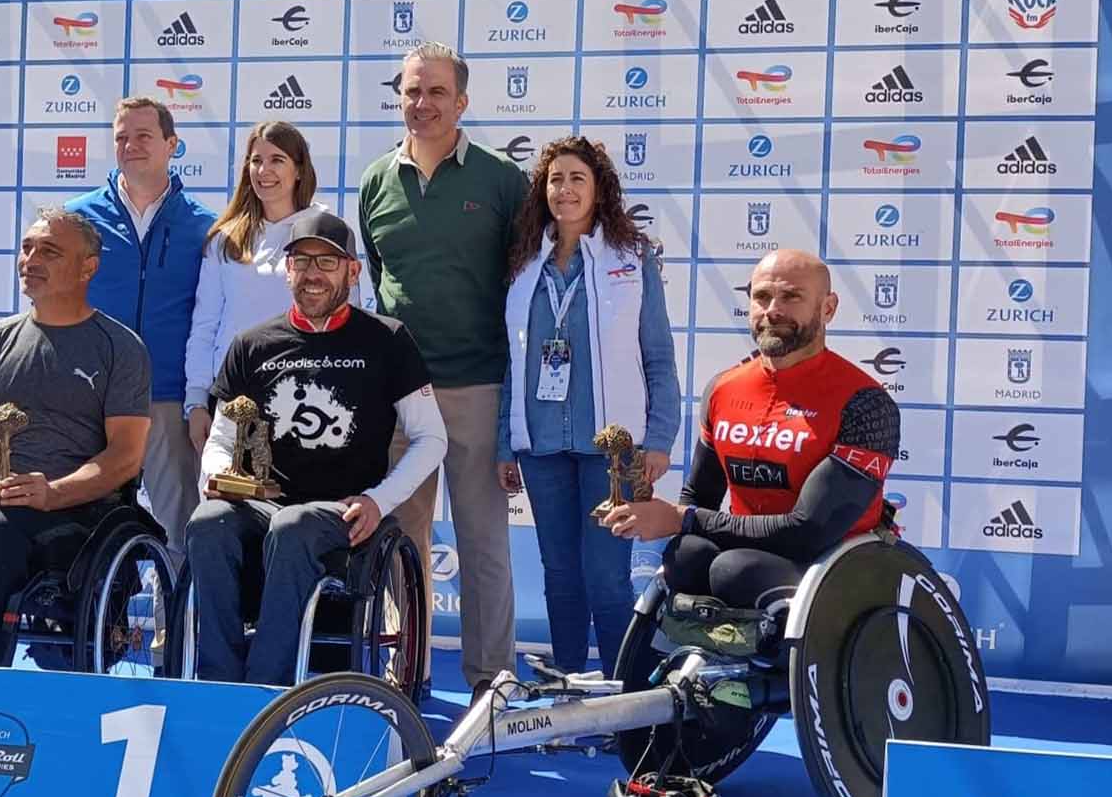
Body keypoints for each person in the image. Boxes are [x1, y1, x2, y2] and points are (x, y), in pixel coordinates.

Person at [185, 212, 447, 686]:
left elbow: (433, 438)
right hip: (264, 506)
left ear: (353, 272)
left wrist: (378, 501)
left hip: (344, 516)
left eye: (327, 262)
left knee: (296, 522)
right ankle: (217, 685)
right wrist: (218, 477)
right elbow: (223, 434)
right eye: (301, 261)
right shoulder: (252, 344)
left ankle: (267, 689)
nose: (312, 274)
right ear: (287, 271)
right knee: (207, 523)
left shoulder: (387, 339)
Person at [0, 209, 152, 667]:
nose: (30, 259)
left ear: (87, 267)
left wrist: (54, 493)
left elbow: (125, 457)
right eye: (27, 248)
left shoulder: (121, 348)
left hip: (77, 513)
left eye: (49, 251)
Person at [358, 42, 530, 697]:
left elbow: (520, 286)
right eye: (410, 91)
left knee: (484, 541)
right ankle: (411, 672)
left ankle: (493, 680)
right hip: (401, 394)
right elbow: (380, 283)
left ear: (461, 101)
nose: (421, 103)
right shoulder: (375, 180)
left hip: (478, 385)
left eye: (435, 92)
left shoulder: (500, 181)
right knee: (403, 539)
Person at [601, 249, 900, 622]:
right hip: (745, 553)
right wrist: (676, 520)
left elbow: (809, 530)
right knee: (686, 554)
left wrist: (682, 518)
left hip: (831, 565)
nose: (772, 310)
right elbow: (699, 497)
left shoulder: (866, 403)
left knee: (735, 570)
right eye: (761, 297)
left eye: (791, 297)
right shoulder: (723, 388)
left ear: (828, 308)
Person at [496, 136, 680, 675]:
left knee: (607, 578)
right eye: (556, 179)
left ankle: (624, 699)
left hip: (615, 451)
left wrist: (660, 439)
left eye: (578, 178)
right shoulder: (524, 262)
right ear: (543, 190)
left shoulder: (631, 258)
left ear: (599, 189)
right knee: (560, 575)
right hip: (543, 444)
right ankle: (570, 686)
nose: (566, 189)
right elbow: (514, 361)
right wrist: (508, 441)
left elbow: (659, 356)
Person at [66, 96, 216, 574]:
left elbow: (212, 318)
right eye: (122, 137)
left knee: (178, 528)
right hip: (90, 397)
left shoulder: (205, 226)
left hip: (167, 397)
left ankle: (170, 640)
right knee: (83, 522)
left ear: (172, 144)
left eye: (144, 136)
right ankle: (95, 634)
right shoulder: (76, 220)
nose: (131, 145)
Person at [185, 121, 330, 455]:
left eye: (277, 160)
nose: (264, 170)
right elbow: (206, 323)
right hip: (233, 397)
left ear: (299, 170)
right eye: (256, 160)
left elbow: (343, 319)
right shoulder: (226, 238)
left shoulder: (325, 229)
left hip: (304, 395)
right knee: (228, 503)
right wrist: (196, 401)